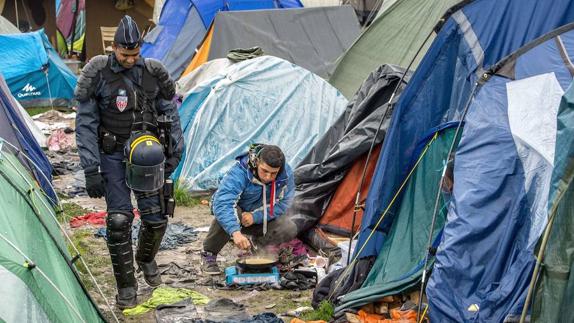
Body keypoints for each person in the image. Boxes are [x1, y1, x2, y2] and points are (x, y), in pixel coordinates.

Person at [75, 15, 183, 309]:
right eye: (125, 54)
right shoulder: (97, 73)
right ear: (113, 48)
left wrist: (174, 154)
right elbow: (85, 122)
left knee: (157, 218)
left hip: (147, 155)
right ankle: (126, 287)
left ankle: (146, 258)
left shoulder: (151, 73)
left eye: (135, 54)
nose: (130, 59)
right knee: (120, 220)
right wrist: (90, 167)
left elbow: (169, 114)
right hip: (111, 155)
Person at [202, 144, 297, 274]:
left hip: (257, 216)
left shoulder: (285, 175)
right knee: (227, 214)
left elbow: (284, 202)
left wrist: (255, 216)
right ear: (257, 162)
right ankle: (208, 255)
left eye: (273, 173)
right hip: (237, 211)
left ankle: (258, 246)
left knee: (289, 227)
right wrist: (235, 232)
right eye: (264, 171)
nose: (268, 177)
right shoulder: (240, 171)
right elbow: (223, 203)